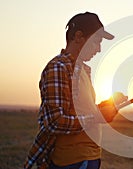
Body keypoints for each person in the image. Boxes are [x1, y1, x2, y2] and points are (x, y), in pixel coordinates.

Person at [24, 12, 127, 169]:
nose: (99, 49)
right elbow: (55, 122)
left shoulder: (83, 70)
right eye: (96, 42)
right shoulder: (58, 68)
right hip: (71, 161)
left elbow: (82, 111)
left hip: (90, 156)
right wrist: (96, 117)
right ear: (79, 37)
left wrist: (109, 104)